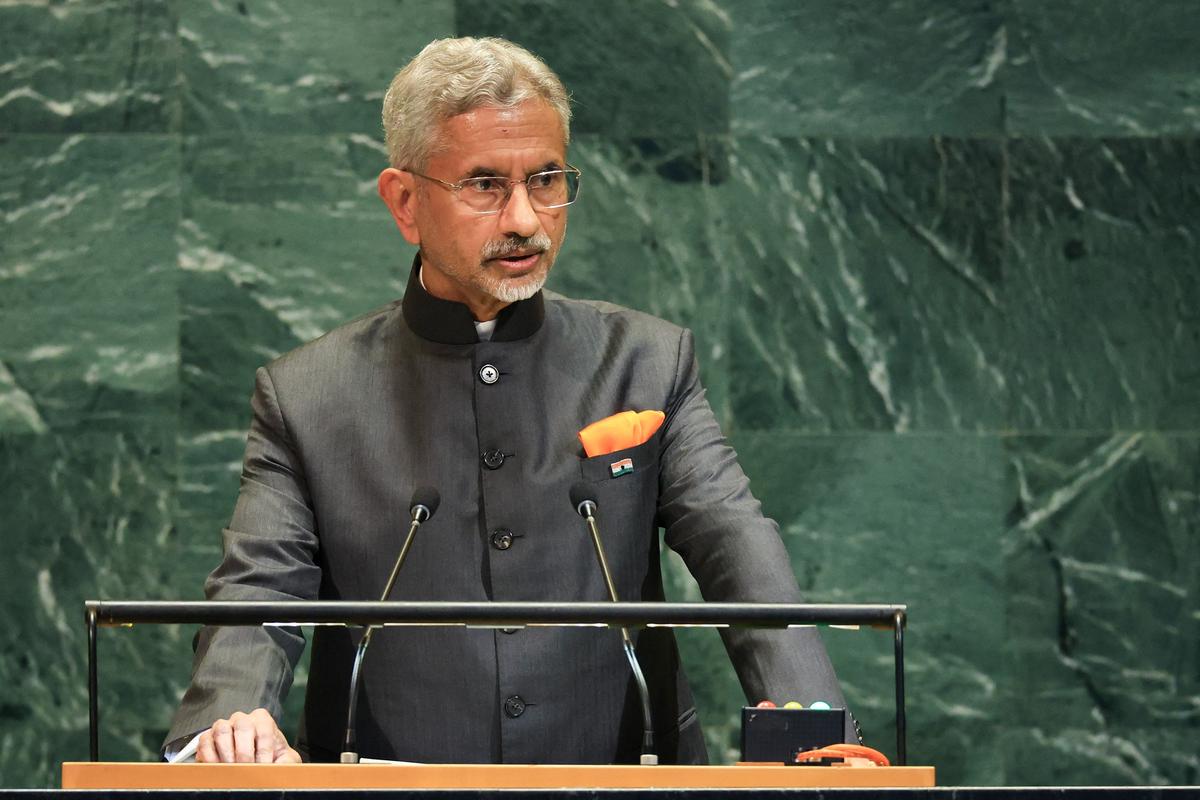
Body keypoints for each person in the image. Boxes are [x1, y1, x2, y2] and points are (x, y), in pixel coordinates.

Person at [166, 36, 855, 765]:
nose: (525, 218)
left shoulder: (647, 363)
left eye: (547, 178)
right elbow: (258, 591)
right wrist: (235, 719)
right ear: (404, 202)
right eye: (485, 185)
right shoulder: (308, 395)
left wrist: (812, 728)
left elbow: (734, 545)